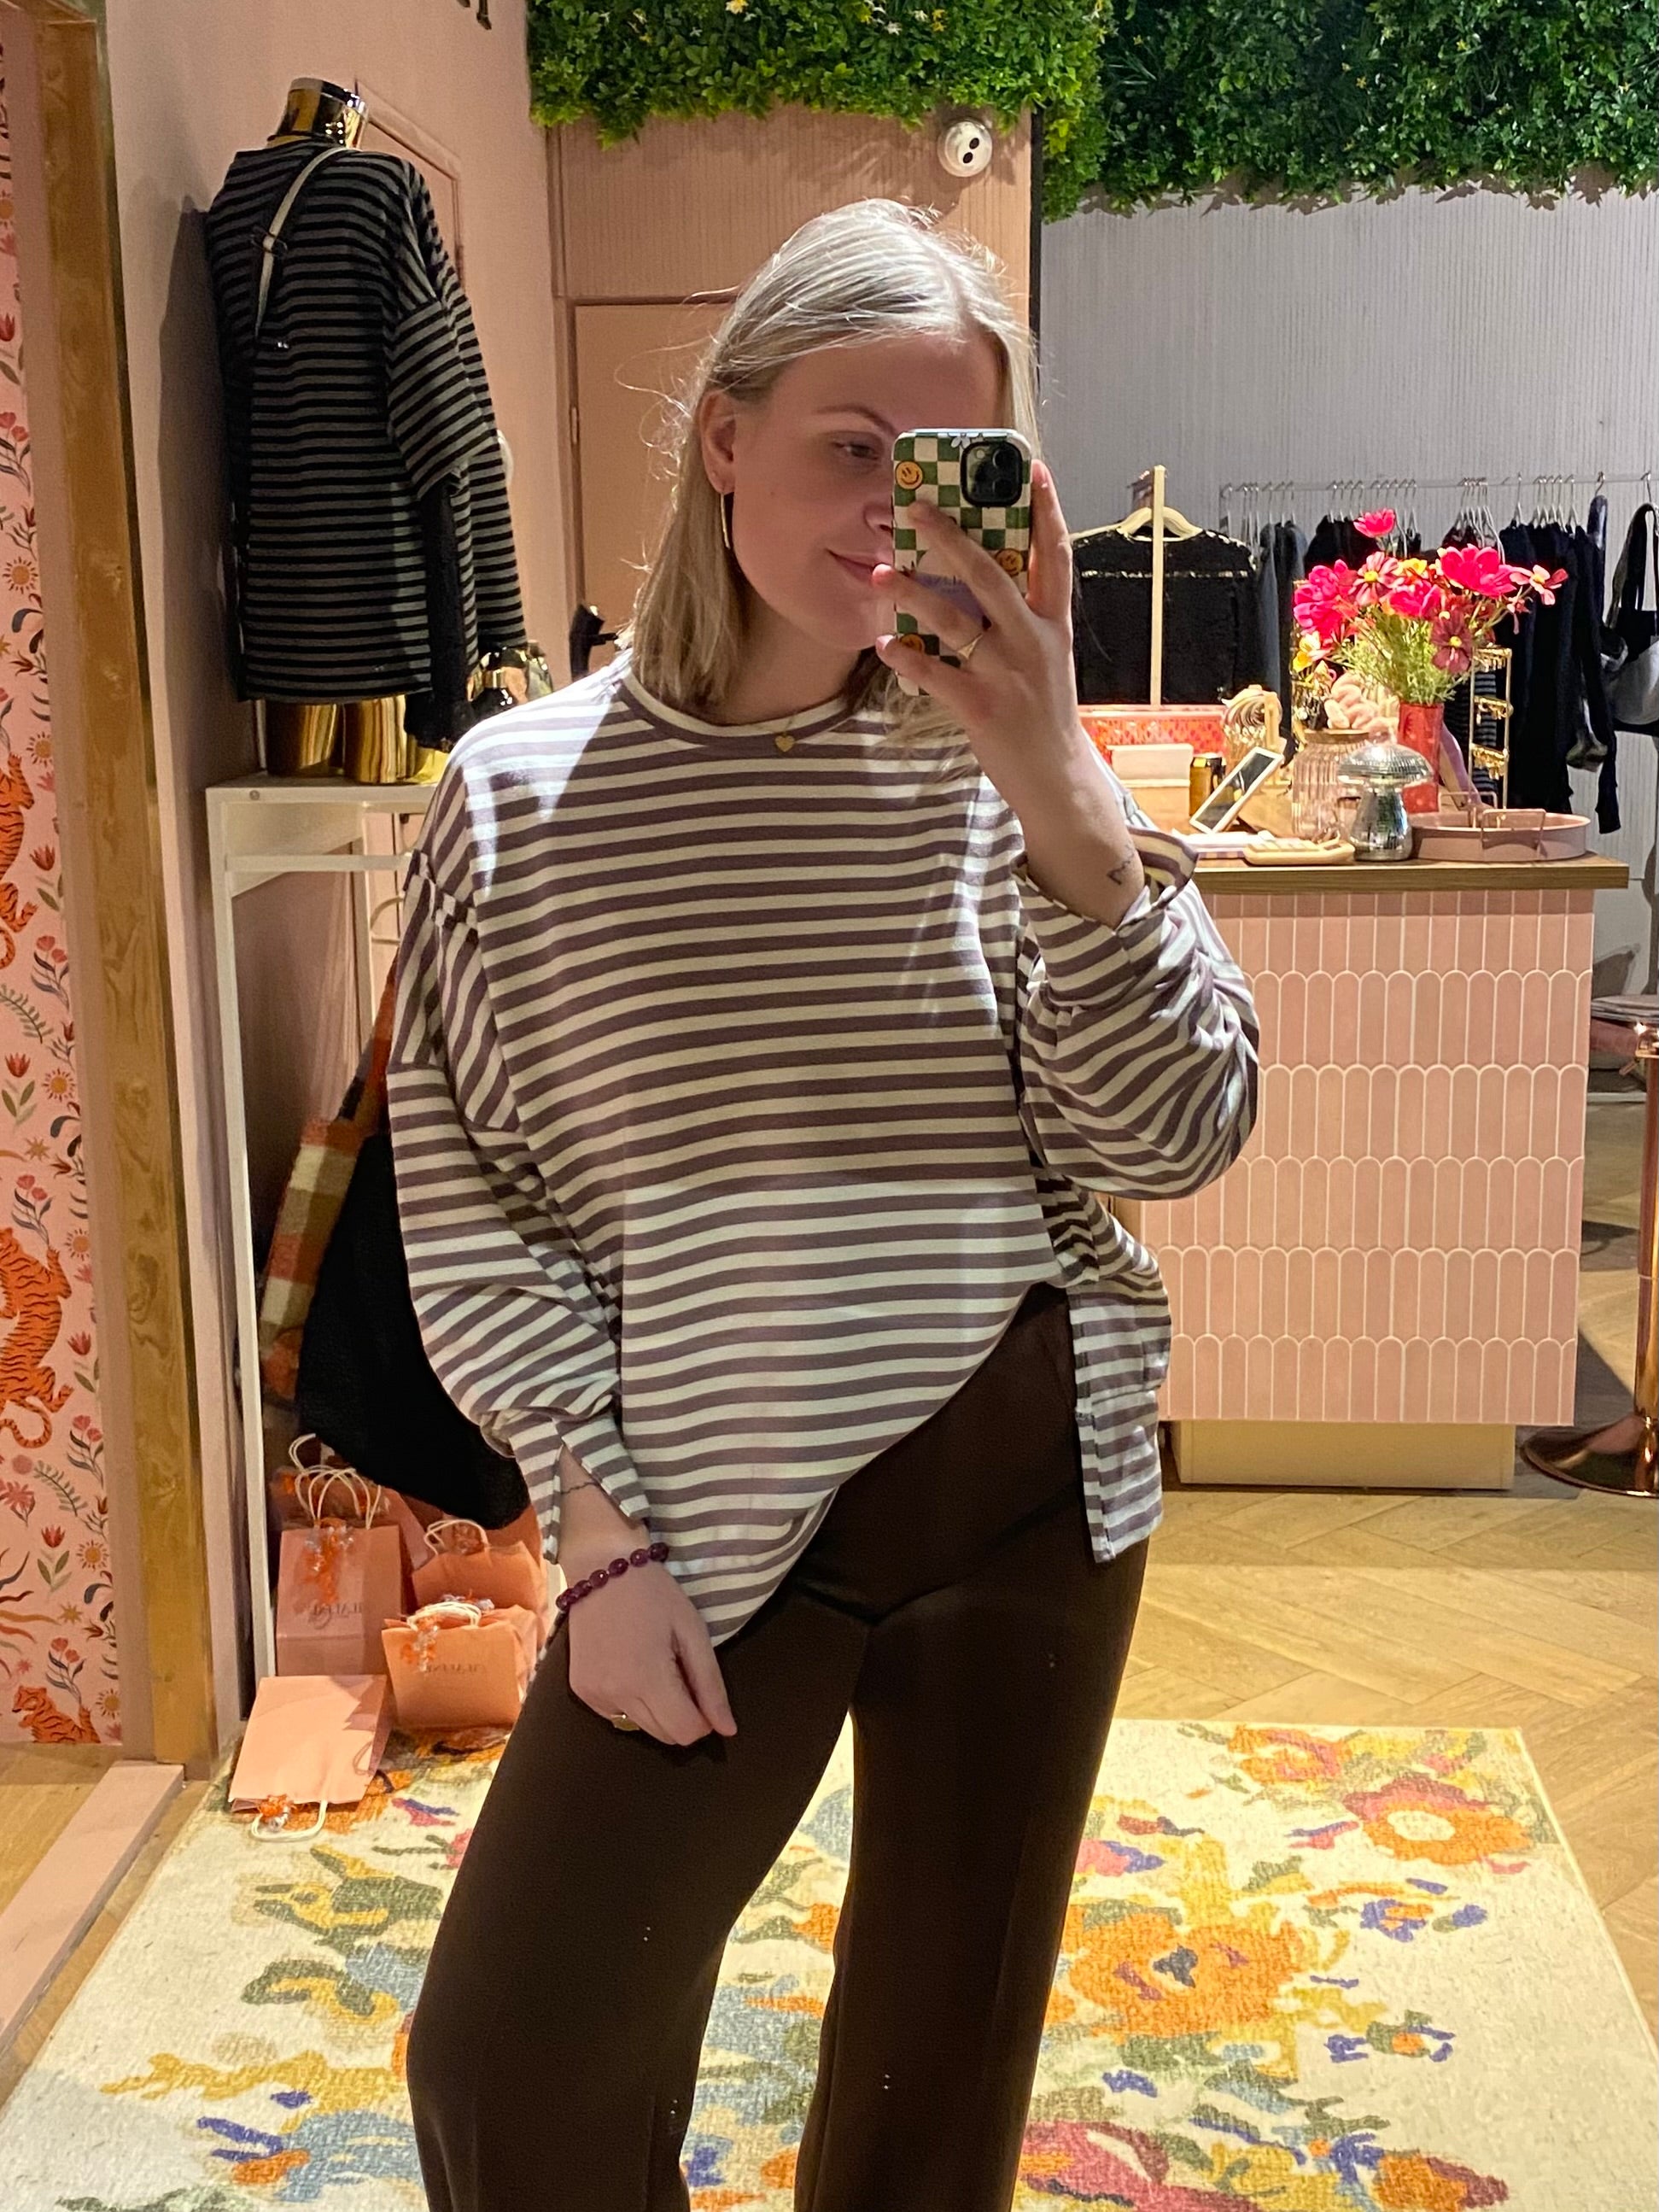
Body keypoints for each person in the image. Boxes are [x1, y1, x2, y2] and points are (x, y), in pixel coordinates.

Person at [392, 198, 1257, 2212]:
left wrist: (1060, 782)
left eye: (954, 462)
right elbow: (478, 1189)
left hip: (1027, 1468)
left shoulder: (1007, 772)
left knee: (928, 2093)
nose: (896, 509)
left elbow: (1177, 1129)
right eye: (851, 445)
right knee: (512, 2065)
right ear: (724, 436)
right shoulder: (516, 800)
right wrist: (595, 1535)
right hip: (702, 1496)